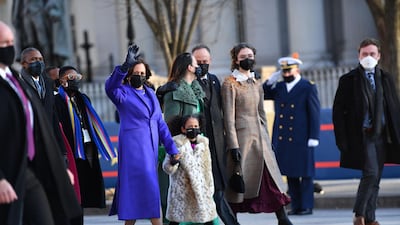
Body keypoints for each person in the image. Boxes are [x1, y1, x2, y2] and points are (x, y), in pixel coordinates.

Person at [0, 20, 81, 225]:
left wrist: (59, 167)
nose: (8, 48)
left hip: (31, 171)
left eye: (10, 42)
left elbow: (41, 126)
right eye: (2, 44)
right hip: (7, 173)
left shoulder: (14, 80)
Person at [105, 45, 179, 225]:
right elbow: (110, 87)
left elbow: (160, 124)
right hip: (134, 151)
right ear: (130, 75)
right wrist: (123, 67)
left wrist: (172, 149)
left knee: (140, 193)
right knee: (145, 191)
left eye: (142, 73)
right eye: (136, 72)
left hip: (150, 150)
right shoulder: (122, 93)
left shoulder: (151, 94)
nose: (140, 76)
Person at [221, 43, 292, 225]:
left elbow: (261, 112)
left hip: (260, 138)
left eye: (250, 56)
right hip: (242, 139)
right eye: (243, 56)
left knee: (271, 179)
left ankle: (282, 218)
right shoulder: (230, 83)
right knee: (240, 179)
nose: (248, 59)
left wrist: (267, 138)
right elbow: (228, 118)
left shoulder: (256, 81)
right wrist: (233, 145)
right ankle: (232, 219)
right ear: (236, 60)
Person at [332, 38, 400, 225]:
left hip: (382, 134)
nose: (368, 57)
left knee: (376, 177)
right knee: (370, 173)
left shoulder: (386, 78)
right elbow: (338, 112)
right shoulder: (348, 80)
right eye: (364, 54)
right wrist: (342, 139)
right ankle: (359, 214)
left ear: (379, 56)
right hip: (362, 135)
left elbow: (394, 108)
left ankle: (370, 218)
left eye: (372, 54)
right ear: (358, 56)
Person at [55, 65, 116, 224]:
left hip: (88, 147)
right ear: (62, 81)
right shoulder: (57, 101)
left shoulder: (83, 99)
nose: (76, 81)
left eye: (77, 77)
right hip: (72, 149)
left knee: (86, 186)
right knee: (74, 189)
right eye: (71, 78)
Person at [263, 55, 321, 215]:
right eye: (284, 72)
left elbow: (314, 113)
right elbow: (263, 93)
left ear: (297, 70)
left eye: (289, 71)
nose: (286, 75)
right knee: (291, 174)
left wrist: (314, 136)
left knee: (306, 174)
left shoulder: (307, 87)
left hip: (302, 137)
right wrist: (270, 80)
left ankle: (307, 206)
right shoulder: (280, 87)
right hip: (284, 138)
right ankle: (296, 206)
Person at [192, 45, 239, 225]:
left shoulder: (214, 80)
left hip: (218, 143)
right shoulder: (189, 83)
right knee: (214, 189)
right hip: (200, 143)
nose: (203, 65)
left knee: (219, 187)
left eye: (205, 61)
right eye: (199, 62)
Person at [156, 52, 206, 224]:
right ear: (189, 67)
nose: (199, 67)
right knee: (178, 202)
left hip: (197, 150)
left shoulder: (196, 89)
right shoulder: (175, 90)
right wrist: (178, 150)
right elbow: (170, 125)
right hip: (181, 152)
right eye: (195, 64)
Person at [163, 114, 217, 225]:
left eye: (196, 126)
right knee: (176, 219)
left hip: (201, 190)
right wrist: (174, 161)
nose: (194, 129)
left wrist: (209, 188)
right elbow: (167, 168)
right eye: (190, 126)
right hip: (181, 192)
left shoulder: (203, 144)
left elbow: (208, 168)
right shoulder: (176, 143)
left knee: (207, 218)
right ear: (183, 129)